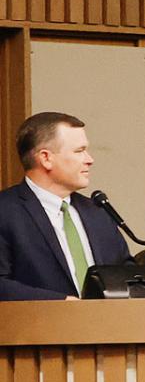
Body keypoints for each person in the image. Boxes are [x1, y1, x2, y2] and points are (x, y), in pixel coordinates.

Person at [0, 112, 131, 300]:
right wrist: (61, 303)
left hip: (106, 326)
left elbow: (124, 271)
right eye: (79, 151)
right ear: (46, 158)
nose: (89, 159)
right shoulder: (6, 211)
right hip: (37, 326)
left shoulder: (98, 212)